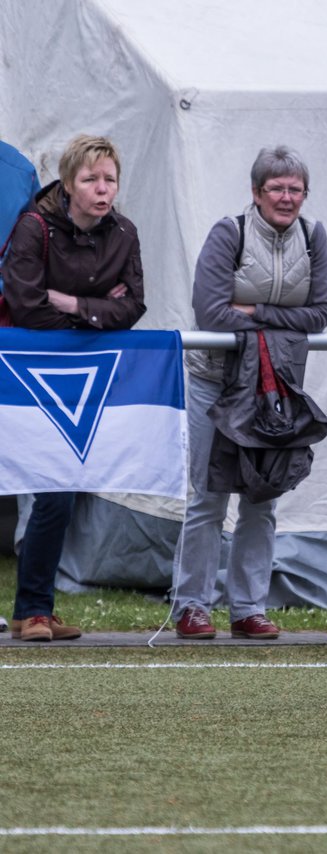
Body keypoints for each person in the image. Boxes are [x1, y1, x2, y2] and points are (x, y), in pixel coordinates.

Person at [171, 145, 327, 640]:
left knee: (263, 498)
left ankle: (248, 607)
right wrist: (277, 318)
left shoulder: (313, 236)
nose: (287, 198)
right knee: (209, 495)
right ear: (256, 192)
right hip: (214, 382)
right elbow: (211, 313)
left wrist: (255, 312)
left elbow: (322, 313)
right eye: (277, 188)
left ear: (305, 194)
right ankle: (191, 606)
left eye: (295, 189)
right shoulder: (230, 232)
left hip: (274, 387)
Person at [1, 134, 146, 641]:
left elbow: (133, 307)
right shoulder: (32, 228)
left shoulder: (124, 232)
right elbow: (24, 305)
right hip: (23, 378)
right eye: (91, 179)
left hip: (78, 383)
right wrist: (93, 314)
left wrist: (70, 303)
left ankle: (33, 610)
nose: (102, 189)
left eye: (110, 179)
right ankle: (32, 609)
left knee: (58, 494)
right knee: (44, 490)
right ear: (68, 184)